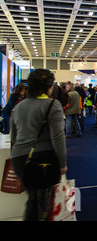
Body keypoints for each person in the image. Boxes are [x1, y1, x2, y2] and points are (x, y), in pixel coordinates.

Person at [10, 69, 66, 221]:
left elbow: (14, 136)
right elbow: (58, 137)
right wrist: (62, 163)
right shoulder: (52, 105)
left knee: (34, 199)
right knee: (43, 202)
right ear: (49, 86)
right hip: (43, 158)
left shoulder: (19, 106)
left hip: (20, 159)